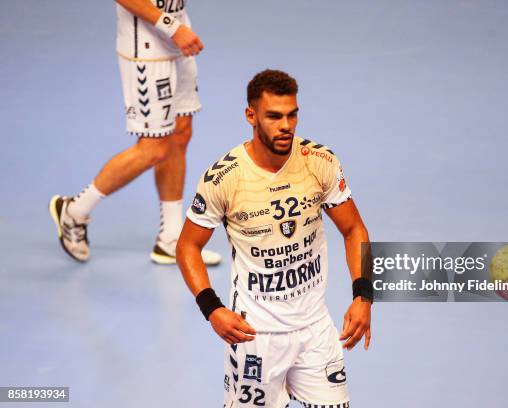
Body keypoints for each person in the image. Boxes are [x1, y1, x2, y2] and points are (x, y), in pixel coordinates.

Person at [177, 69, 373, 407]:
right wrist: (212, 309)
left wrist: (363, 296)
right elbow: (187, 247)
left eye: (292, 114)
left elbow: (354, 229)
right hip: (255, 337)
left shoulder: (319, 162)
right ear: (251, 115)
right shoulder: (224, 178)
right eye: (274, 116)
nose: (286, 125)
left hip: (315, 330)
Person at [49, 0, 221, 265]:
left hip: (178, 36)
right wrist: (171, 26)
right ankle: (74, 210)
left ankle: (171, 239)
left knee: (180, 135)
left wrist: (176, 28)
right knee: (155, 147)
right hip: (147, 46)